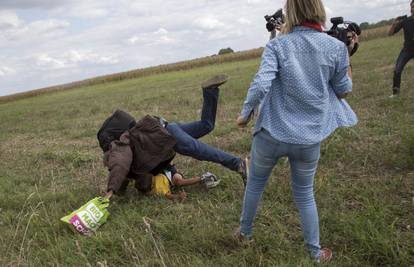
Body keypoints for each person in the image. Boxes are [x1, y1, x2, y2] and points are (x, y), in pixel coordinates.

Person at [235, 0, 358, 263]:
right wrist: (348, 57)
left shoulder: (277, 45)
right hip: (309, 138)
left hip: (271, 133)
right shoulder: (336, 48)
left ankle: (244, 234)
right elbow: (343, 90)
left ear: (290, 13)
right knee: (304, 194)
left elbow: (260, 84)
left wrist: (245, 114)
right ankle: (315, 252)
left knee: (255, 185)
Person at [100, 75, 248, 200]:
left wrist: (110, 191)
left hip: (167, 136)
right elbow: (144, 168)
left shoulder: (120, 145)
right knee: (206, 125)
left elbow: (119, 164)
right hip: (167, 129)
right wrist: (118, 190)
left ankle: (238, 164)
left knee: (196, 149)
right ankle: (210, 91)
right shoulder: (136, 154)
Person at [149, 163, 220, 201]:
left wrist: (178, 196)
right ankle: (203, 178)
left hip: (166, 169)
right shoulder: (158, 183)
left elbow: (168, 195)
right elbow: (167, 195)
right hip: (162, 172)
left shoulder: (158, 182)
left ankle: (203, 178)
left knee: (178, 181)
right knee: (178, 181)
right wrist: (179, 196)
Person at [388, 0, 414, 97]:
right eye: (412, 7)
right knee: (397, 70)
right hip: (406, 50)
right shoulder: (405, 21)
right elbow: (390, 34)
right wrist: (394, 24)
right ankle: (396, 93)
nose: (412, 9)